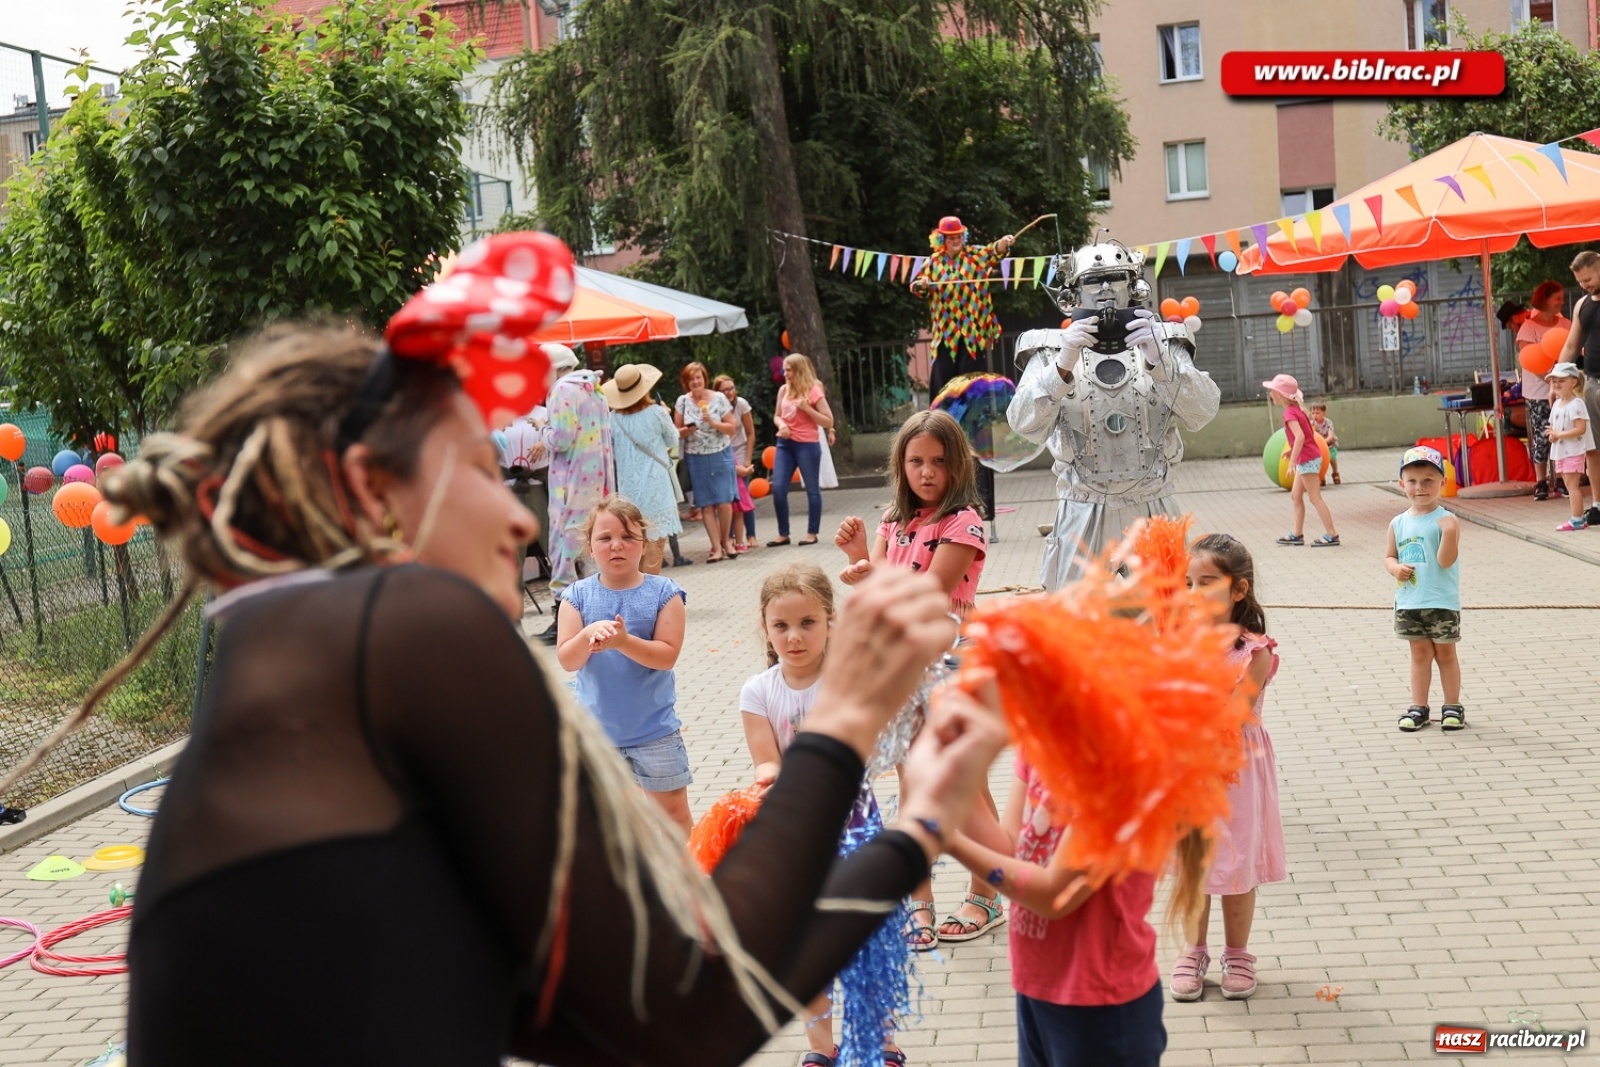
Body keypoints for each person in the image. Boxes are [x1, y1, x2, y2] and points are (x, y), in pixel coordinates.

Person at [15, 246, 1006, 1067]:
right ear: (368, 489)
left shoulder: (299, 679)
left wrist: (915, 825)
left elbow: (673, 1012)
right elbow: (691, 1012)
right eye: (482, 468)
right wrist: (844, 717)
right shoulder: (401, 627)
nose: (514, 514)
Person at [942, 682, 1209, 1067]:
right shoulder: (1041, 744)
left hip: (1100, 1007)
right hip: (1037, 981)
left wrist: (945, 840)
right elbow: (1008, 851)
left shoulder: (1120, 774)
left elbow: (1053, 896)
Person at [835, 410, 1001, 950]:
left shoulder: (964, 523)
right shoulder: (892, 520)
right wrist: (861, 560)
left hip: (953, 665)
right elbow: (877, 591)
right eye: (915, 461)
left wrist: (873, 575)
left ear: (958, 466)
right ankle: (918, 901)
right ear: (899, 465)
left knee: (966, 786)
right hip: (903, 664)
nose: (926, 472)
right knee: (912, 785)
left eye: (938, 461)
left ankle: (986, 893)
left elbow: (928, 593)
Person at [741, 563, 908, 1067]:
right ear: (766, 628)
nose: (794, 637)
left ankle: (882, 1042)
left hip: (857, 827)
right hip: (796, 839)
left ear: (831, 621)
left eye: (807, 623)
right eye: (781, 626)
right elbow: (765, 759)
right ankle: (821, 1048)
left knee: (865, 941)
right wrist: (770, 781)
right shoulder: (759, 691)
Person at [1009, 238, 1220, 588]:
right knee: (1074, 621)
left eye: (1116, 277)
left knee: (1167, 618)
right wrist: (1062, 365)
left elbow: (1203, 412)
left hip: (1153, 506)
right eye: (1093, 280)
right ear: (1073, 292)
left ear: (1133, 284)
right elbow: (1023, 424)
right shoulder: (1047, 350)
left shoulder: (1164, 341)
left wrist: (1161, 363)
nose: (1106, 288)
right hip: (1082, 508)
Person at [1168, 535, 1285, 1003]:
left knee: (1236, 864)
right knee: (1194, 863)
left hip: (1234, 768)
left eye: (1207, 582)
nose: (1194, 593)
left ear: (1238, 590)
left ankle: (1238, 953)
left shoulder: (1254, 650)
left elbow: (1235, 712)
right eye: (1187, 583)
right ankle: (1192, 951)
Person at [555, 498, 693, 833]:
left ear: (644, 544)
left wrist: (623, 642)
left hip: (655, 732)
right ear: (590, 546)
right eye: (605, 538)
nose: (617, 545)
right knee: (605, 825)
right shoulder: (576, 596)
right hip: (597, 737)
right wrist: (588, 633)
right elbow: (567, 660)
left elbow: (667, 655)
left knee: (672, 818)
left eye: (628, 537)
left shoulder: (665, 593)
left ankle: (683, 881)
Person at [909, 216, 1014, 526]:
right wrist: (923, 285)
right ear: (941, 239)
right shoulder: (933, 263)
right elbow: (916, 286)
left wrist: (1004, 243)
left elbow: (996, 251)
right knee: (941, 410)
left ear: (963, 237)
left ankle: (983, 504)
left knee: (976, 414)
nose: (955, 241)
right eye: (949, 237)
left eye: (958, 236)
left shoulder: (976, 257)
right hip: (945, 342)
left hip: (972, 341)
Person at [1386, 446, 1464, 732]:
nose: (1420, 488)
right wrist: (1394, 568)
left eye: (1428, 480)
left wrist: (1451, 533)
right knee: (1419, 655)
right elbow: (1389, 556)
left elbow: (1445, 562)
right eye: (1413, 481)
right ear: (1401, 484)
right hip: (1409, 602)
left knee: (1445, 654)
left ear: (1442, 482)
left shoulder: (1447, 519)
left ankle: (1452, 706)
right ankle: (1419, 707)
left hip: (1441, 601)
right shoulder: (1397, 523)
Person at [544, 343, 615, 604]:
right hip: (598, 481)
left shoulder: (561, 390)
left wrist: (543, 431)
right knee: (589, 544)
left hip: (568, 482)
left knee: (563, 543)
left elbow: (561, 439)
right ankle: (595, 605)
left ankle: (563, 609)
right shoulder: (594, 389)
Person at [604, 363, 683, 573]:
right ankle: (648, 600)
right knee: (655, 547)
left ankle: (634, 596)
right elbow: (674, 440)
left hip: (628, 491)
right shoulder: (657, 413)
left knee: (633, 547)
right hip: (656, 486)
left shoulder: (612, 419)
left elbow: (609, 451)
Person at [674, 361, 740, 562]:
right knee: (707, 505)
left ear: (705, 379)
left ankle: (727, 541)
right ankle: (715, 547)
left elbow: (732, 428)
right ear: (686, 382)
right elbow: (675, 432)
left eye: (698, 378)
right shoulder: (682, 402)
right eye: (691, 379)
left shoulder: (718, 398)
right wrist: (687, 430)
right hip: (696, 457)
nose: (695, 382)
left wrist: (713, 422)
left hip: (720, 453)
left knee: (724, 502)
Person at [769, 353, 836, 547]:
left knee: (812, 488)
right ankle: (783, 533)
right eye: (784, 369)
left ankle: (811, 533)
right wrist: (781, 424)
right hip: (785, 443)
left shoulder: (813, 391)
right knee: (778, 488)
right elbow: (776, 415)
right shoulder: (783, 390)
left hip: (807, 444)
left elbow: (828, 420)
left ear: (798, 370)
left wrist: (807, 408)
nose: (785, 373)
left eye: (788, 369)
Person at [1266, 375, 1339, 547]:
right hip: (1307, 457)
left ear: (1281, 395)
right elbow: (1306, 436)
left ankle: (1332, 534)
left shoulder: (1290, 414)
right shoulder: (1297, 410)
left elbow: (1299, 437)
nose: (1270, 394)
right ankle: (1297, 534)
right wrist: (1292, 451)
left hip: (1307, 459)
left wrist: (1292, 462)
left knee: (1315, 498)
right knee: (1296, 495)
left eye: (1273, 391)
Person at [1556, 250, 1600, 526]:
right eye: (1581, 281)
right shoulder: (1583, 304)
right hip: (1593, 384)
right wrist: (1557, 378)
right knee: (1593, 447)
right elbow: (1572, 345)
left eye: (1589, 279)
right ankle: (1597, 504)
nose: (1585, 285)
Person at [1516, 280, 1570, 500]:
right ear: (1544, 299)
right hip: (1538, 392)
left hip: (1565, 391)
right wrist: (1551, 382)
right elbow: (1529, 360)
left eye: (1562, 298)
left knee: (1564, 433)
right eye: (1557, 298)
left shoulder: (1565, 324)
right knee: (1542, 433)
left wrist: (1562, 384)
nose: (1561, 302)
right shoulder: (1528, 327)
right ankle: (1541, 481)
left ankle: (1561, 478)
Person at [494, 403, 551, 583]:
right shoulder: (500, 416)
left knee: (551, 541)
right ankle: (516, 606)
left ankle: (566, 601)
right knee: (514, 549)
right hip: (510, 488)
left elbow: (562, 440)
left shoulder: (546, 414)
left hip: (539, 486)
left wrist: (544, 442)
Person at [1546, 363, 1595, 531]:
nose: (1557, 384)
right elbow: (1554, 427)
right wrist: (1553, 435)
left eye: (1561, 381)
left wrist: (1559, 435)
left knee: (1572, 485)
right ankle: (1577, 517)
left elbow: (1580, 428)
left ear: (1573, 382)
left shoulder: (1577, 403)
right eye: (1554, 381)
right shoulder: (1557, 404)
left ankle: (1577, 519)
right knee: (1568, 484)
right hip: (1560, 450)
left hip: (1573, 450)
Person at [714, 373, 758, 552]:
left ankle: (751, 535)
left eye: (732, 388)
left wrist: (747, 459)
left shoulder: (741, 404)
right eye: (725, 390)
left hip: (739, 451)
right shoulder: (714, 406)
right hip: (722, 453)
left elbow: (750, 433)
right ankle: (729, 537)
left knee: (743, 497)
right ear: (717, 392)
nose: (730, 392)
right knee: (726, 498)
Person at [1307, 402, 1340, 486]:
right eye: (1313, 413)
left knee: (1332, 458)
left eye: (1318, 413)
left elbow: (1330, 436)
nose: (1315, 415)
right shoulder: (1311, 424)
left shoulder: (1328, 422)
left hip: (1330, 445)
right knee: (1319, 461)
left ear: (1324, 413)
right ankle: (1322, 477)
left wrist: (1323, 442)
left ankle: (1335, 472)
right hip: (1318, 446)